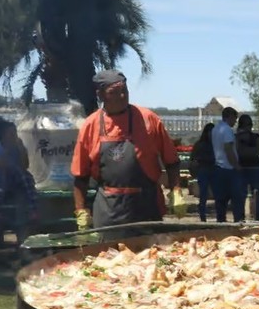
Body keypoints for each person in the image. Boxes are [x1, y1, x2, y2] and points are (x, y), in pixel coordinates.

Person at [71, 70, 183, 230]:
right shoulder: (90, 125)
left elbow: (172, 162)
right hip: (108, 211)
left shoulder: (148, 119)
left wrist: (176, 191)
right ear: (100, 95)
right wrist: (81, 210)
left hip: (147, 207)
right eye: (114, 93)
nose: (122, 96)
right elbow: (80, 176)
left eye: (124, 91)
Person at [0, 120, 38, 238]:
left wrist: (21, 149)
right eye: (11, 134)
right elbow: (2, 164)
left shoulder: (17, 147)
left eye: (15, 133)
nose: (14, 136)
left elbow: (25, 165)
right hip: (0, 182)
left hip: (13, 184)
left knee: (26, 178)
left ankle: (32, 211)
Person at [211, 107, 243, 222]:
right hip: (229, 169)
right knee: (237, 199)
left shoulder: (216, 129)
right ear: (230, 117)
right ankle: (238, 222)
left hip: (218, 167)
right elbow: (228, 149)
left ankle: (221, 223)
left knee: (221, 201)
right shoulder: (227, 130)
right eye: (235, 118)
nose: (235, 122)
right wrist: (236, 165)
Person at [235, 114, 259, 221]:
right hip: (254, 167)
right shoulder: (256, 137)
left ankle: (240, 217)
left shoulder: (236, 138)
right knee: (257, 194)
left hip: (242, 167)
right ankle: (258, 216)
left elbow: (237, 151)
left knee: (241, 195)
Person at [190, 123, 215, 221]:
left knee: (215, 193)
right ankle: (202, 215)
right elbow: (193, 158)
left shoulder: (212, 143)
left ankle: (215, 215)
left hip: (211, 169)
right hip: (204, 169)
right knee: (204, 194)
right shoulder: (201, 144)